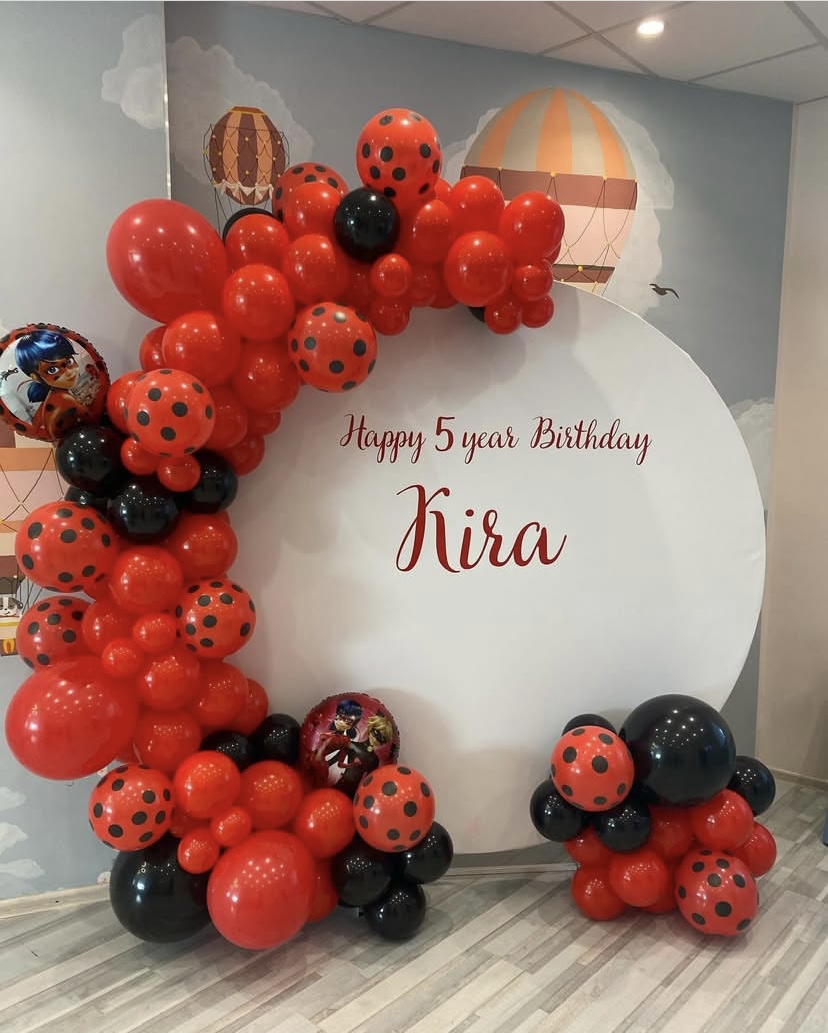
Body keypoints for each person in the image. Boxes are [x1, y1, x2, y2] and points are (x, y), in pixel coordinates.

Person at [11, 329, 97, 440]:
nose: (68, 372)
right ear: (35, 377)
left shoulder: (51, 399)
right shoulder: (64, 400)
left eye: (69, 361)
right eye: (52, 369)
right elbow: (93, 424)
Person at [334, 713, 395, 797]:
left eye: (382, 739)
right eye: (376, 733)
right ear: (371, 728)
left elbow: (369, 781)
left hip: (352, 792)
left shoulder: (374, 759)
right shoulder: (352, 745)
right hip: (340, 783)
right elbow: (335, 758)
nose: (376, 739)